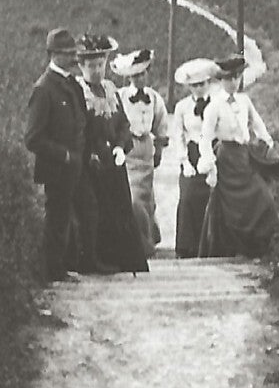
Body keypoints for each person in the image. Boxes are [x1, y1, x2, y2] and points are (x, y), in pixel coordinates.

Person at [22, 27, 94, 283]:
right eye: (67, 53)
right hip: (57, 169)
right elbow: (33, 138)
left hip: (74, 167)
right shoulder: (44, 89)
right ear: (54, 55)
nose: (74, 57)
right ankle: (53, 271)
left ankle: (69, 264)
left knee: (76, 216)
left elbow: (80, 120)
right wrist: (63, 155)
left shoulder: (70, 84)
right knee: (57, 218)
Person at [76, 34, 148, 274]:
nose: (97, 71)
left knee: (121, 209)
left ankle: (124, 261)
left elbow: (123, 124)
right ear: (81, 66)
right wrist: (90, 153)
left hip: (114, 165)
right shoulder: (78, 92)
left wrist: (120, 146)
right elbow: (78, 128)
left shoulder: (110, 89)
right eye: (92, 66)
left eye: (101, 65)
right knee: (97, 210)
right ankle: (98, 259)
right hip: (92, 165)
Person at [201, 53, 279, 258]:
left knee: (263, 198)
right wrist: (209, 164)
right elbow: (205, 137)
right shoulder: (214, 106)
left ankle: (256, 245)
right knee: (226, 207)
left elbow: (257, 123)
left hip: (243, 158)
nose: (233, 82)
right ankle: (230, 249)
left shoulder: (245, 101)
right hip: (226, 160)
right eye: (228, 78)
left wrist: (267, 141)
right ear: (221, 80)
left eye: (236, 77)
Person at [111, 47, 169, 256]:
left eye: (143, 74)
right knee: (131, 195)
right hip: (127, 149)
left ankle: (148, 237)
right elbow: (114, 122)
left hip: (145, 148)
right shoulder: (120, 96)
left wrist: (160, 148)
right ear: (129, 78)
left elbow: (161, 124)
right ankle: (135, 240)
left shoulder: (154, 98)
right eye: (135, 76)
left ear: (148, 74)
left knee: (145, 194)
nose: (139, 79)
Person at [170, 57, 220, 259]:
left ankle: (212, 245)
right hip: (192, 152)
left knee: (214, 196)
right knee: (189, 196)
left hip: (213, 151)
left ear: (209, 83)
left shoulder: (216, 104)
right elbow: (178, 135)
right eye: (194, 86)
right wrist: (184, 161)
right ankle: (187, 247)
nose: (199, 89)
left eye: (202, 84)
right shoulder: (182, 107)